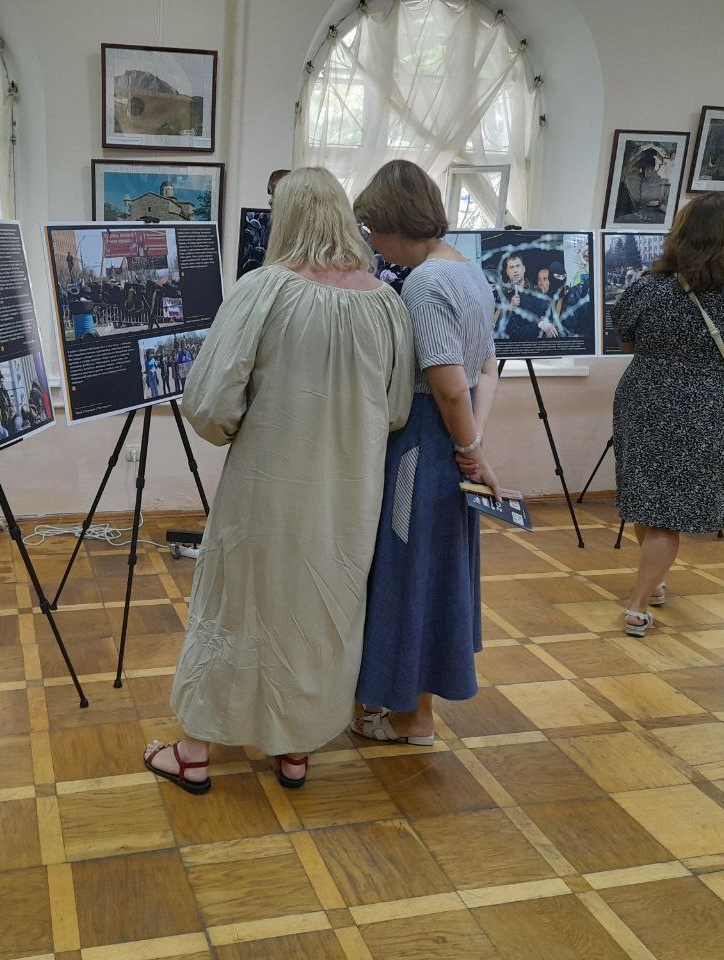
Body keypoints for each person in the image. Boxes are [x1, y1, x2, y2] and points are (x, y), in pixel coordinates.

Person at [145, 167, 413, 794]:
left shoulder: (264, 290)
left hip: (266, 487)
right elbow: (396, 407)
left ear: (285, 218)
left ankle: (194, 751)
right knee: (321, 612)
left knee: (237, 606)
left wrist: (249, 423)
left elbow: (210, 403)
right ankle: (293, 749)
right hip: (349, 494)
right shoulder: (385, 303)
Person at [350, 158, 502, 748]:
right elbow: (487, 369)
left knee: (409, 571)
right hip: (452, 439)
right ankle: (414, 709)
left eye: (374, 231)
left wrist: (466, 447)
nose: (374, 245)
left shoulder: (423, 284)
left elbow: (445, 383)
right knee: (440, 572)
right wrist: (475, 446)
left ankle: (413, 717)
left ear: (392, 224)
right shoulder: (470, 272)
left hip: (422, 441)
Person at [611, 192, 724, 637]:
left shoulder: (648, 289)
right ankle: (642, 598)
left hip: (647, 397)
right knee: (671, 509)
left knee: (649, 500)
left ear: (680, 236)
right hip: (709, 404)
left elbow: (626, 339)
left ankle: (645, 592)